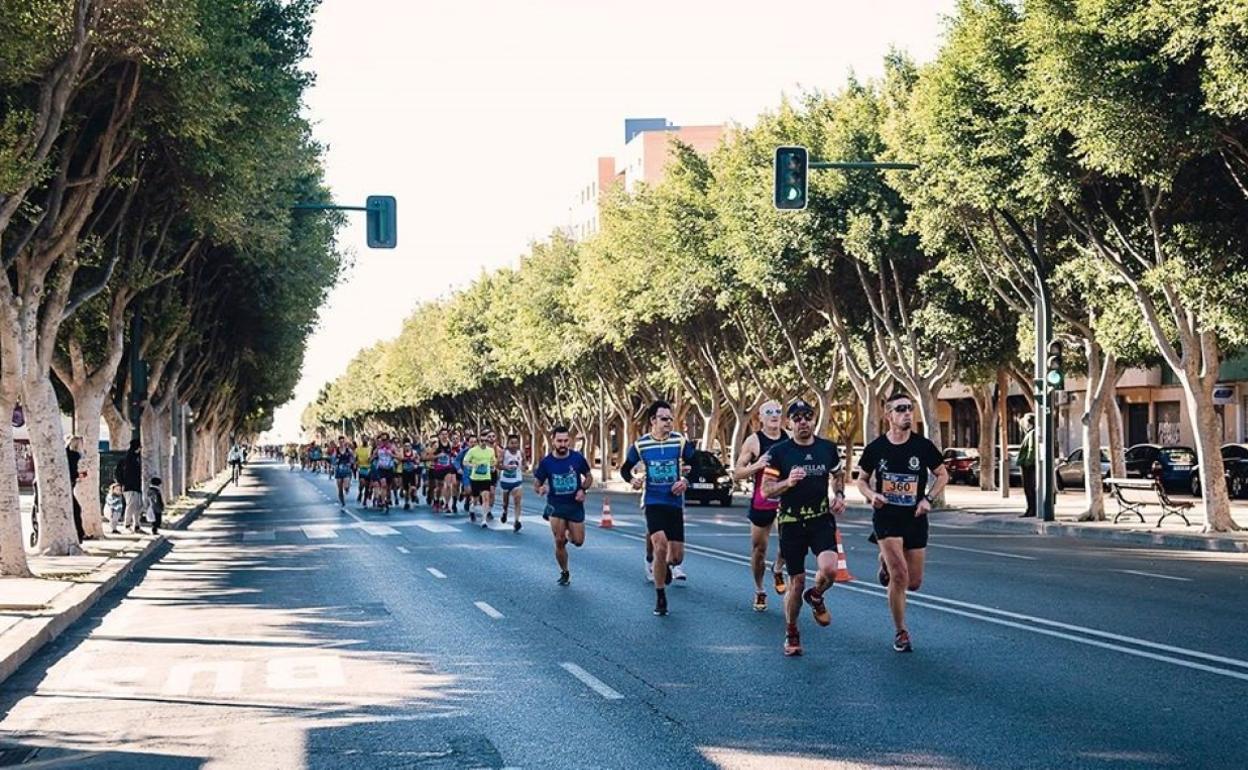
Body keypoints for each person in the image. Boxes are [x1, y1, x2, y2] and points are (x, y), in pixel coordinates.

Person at [855, 392, 949, 654]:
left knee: (914, 582)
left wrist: (928, 498)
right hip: (887, 517)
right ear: (889, 416)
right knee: (900, 575)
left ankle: (884, 560)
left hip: (915, 517)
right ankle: (901, 631)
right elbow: (861, 480)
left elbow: (942, 474)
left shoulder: (923, 446)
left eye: (910, 408)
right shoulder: (876, 448)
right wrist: (872, 495)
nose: (907, 413)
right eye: (901, 409)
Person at [762, 399, 847, 657]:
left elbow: (838, 473)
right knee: (796, 583)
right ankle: (791, 630)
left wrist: (840, 495)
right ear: (790, 423)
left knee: (830, 570)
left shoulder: (827, 448)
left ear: (814, 419)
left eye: (807, 416)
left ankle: (817, 595)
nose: (802, 421)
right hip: (791, 522)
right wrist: (787, 482)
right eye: (797, 417)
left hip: (821, 519)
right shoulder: (780, 452)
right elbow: (766, 490)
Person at [620, 400, 697, 617]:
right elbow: (625, 469)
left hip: (674, 503)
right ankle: (660, 596)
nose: (669, 423)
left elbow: (696, 463)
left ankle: (664, 570)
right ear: (653, 420)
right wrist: (632, 480)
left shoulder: (679, 441)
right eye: (664, 419)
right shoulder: (641, 445)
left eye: (671, 419)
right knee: (660, 545)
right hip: (653, 502)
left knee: (676, 558)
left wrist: (685, 481)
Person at [734, 400, 790, 612]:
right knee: (759, 549)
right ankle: (759, 590)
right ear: (760, 417)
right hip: (762, 499)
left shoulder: (789, 439)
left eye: (778, 411)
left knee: (789, 543)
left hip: (786, 498)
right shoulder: (754, 441)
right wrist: (757, 465)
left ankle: (777, 568)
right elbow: (737, 472)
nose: (774, 415)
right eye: (769, 412)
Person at [534, 426, 593, 586]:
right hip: (556, 505)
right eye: (559, 441)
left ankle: (569, 534)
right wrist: (541, 488)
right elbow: (537, 483)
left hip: (574, 505)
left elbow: (588, 476)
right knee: (559, 541)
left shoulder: (577, 458)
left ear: (570, 441)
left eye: (566, 440)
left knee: (578, 541)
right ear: (553, 441)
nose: (563, 444)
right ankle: (565, 571)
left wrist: (583, 489)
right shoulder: (546, 462)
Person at [464, 433, 498, 527]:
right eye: (481, 441)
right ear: (478, 442)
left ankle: (484, 520)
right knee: (475, 500)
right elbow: (465, 461)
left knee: (486, 498)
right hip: (475, 478)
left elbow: (493, 461)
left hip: (486, 478)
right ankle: (471, 510)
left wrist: (493, 466)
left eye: (485, 441)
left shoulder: (491, 450)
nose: (483, 443)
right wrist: (472, 465)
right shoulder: (472, 451)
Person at [115, 438, 145, 533]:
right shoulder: (129, 458)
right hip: (130, 486)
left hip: (136, 486)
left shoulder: (136, 457)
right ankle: (127, 524)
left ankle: (137, 524)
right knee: (131, 505)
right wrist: (122, 483)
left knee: (138, 506)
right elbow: (121, 472)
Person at [499, 434, 525, 532]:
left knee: (517, 501)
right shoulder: (504, 452)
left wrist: (523, 467)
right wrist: (506, 467)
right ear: (508, 444)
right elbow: (498, 464)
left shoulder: (520, 453)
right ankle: (505, 512)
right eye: (512, 443)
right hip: (505, 480)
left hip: (517, 480)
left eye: (516, 443)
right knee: (505, 503)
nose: (514, 445)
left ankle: (517, 521)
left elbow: (524, 463)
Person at [427, 430, 456, 513]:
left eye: (446, 434)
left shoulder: (450, 444)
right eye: (442, 434)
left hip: (448, 467)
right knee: (439, 487)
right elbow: (429, 457)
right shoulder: (436, 445)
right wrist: (438, 456)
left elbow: (451, 454)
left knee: (448, 485)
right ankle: (436, 501)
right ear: (439, 436)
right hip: (439, 468)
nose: (444, 436)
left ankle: (447, 504)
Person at [65, 435, 85, 542]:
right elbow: (72, 471)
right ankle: (79, 535)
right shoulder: (75, 455)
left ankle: (79, 534)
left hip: (67, 486)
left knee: (76, 509)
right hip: (67, 488)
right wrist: (77, 475)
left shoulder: (66, 454)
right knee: (76, 510)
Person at [1017, 414, 1037, 518]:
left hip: (1028, 466)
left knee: (1029, 488)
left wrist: (1028, 463)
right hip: (1027, 464)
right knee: (1028, 488)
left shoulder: (1032, 433)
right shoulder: (1030, 433)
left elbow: (1031, 449)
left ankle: (1032, 509)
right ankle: (1031, 508)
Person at [332, 436, 354, 507]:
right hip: (339, 470)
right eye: (340, 442)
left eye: (343, 442)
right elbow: (333, 458)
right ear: (339, 442)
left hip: (346, 469)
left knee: (346, 485)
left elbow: (353, 457)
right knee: (340, 488)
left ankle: (347, 488)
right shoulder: (336, 450)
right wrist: (335, 462)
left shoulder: (348, 450)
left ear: (344, 442)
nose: (341, 443)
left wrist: (351, 462)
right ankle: (342, 501)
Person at [354, 438, 372, 505]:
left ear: (368, 441)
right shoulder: (358, 449)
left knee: (367, 486)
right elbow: (355, 458)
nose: (365, 441)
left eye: (366, 440)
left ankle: (365, 500)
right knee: (362, 483)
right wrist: (355, 464)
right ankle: (360, 492)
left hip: (369, 469)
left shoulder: (371, 448)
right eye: (364, 440)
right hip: (361, 468)